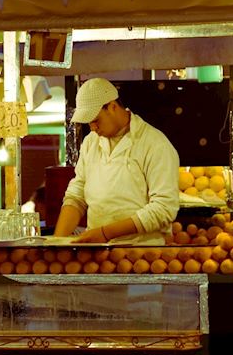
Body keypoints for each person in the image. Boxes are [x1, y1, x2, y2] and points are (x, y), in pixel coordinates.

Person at [53, 78, 180, 245]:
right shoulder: (91, 142)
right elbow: (77, 194)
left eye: (96, 120)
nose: (92, 128)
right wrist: (57, 243)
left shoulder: (154, 144)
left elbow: (164, 208)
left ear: (112, 106)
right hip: (97, 253)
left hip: (142, 255)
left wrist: (106, 233)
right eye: (89, 123)